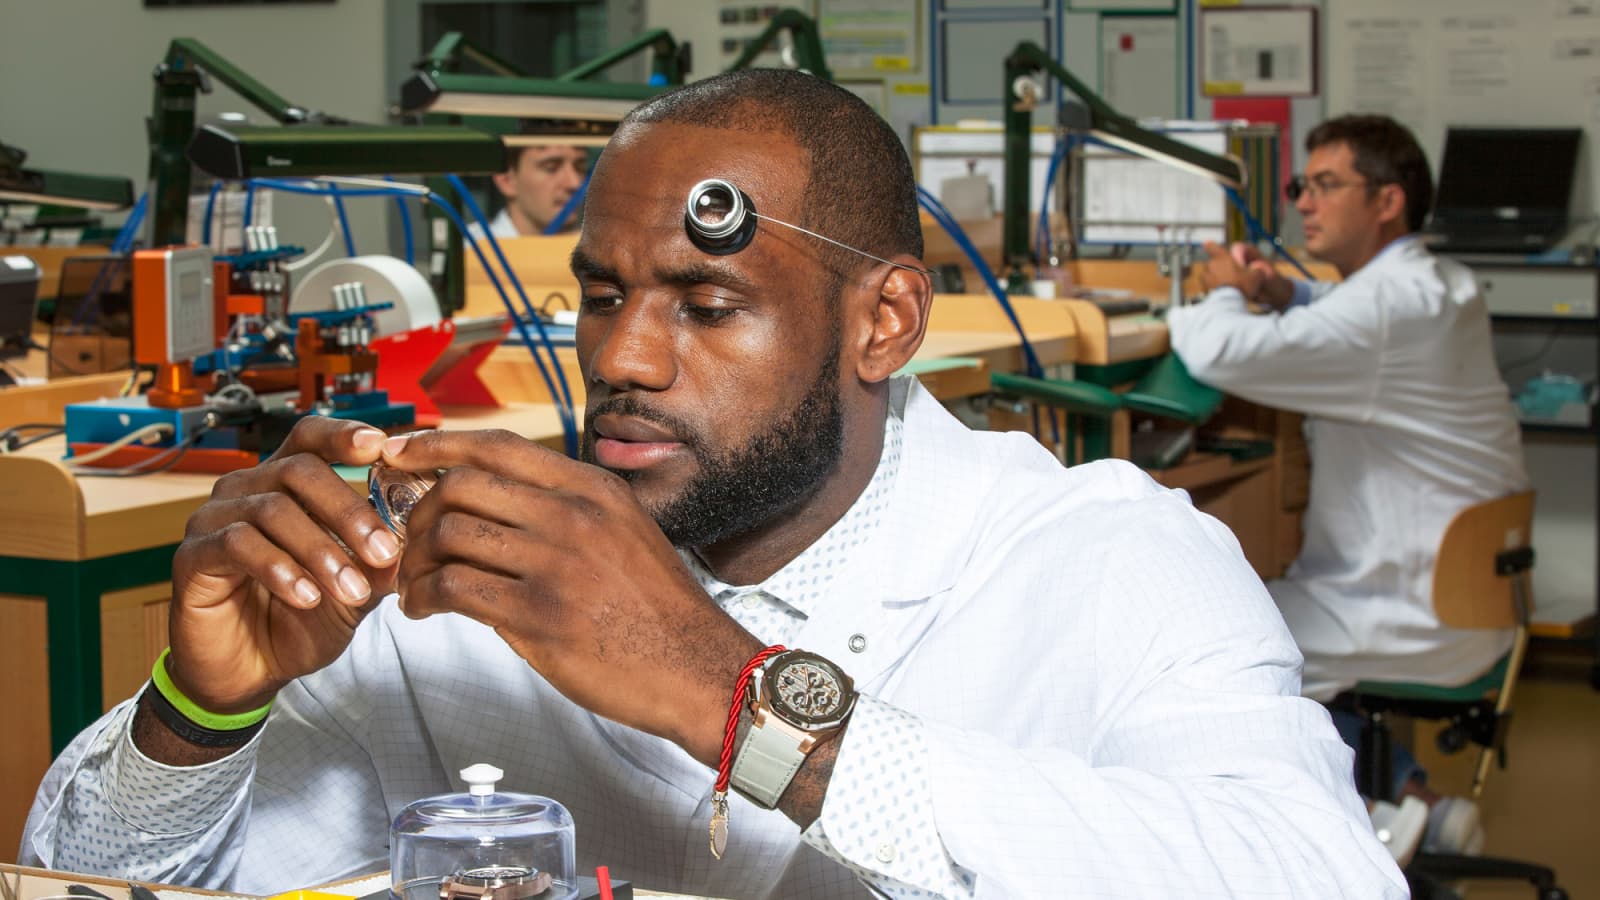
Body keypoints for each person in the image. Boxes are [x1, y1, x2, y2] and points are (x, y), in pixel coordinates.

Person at [24, 72, 1404, 898]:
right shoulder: (464, 576)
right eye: (606, 293)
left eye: (708, 301)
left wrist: (732, 696)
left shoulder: (1102, 560)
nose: (622, 355)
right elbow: (133, 877)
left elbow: (1323, 881)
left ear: (885, 323)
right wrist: (201, 715)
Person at [1166, 114, 1529, 857]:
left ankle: (1353, 827)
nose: (1303, 202)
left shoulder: (1388, 309)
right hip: (1471, 600)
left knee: (1207, 648)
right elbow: (1354, 323)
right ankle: (1412, 797)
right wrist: (1287, 295)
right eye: (1305, 185)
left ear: (1387, 201)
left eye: (1327, 186)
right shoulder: (1437, 285)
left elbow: (1220, 350)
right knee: (1260, 613)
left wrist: (1229, 291)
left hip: (1408, 607)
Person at [467, 144, 588, 239]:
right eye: (551, 168)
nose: (574, 183)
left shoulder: (601, 253)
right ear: (506, 181)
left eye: (580, 168)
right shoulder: (466, 252)